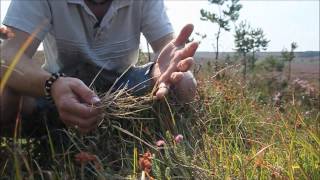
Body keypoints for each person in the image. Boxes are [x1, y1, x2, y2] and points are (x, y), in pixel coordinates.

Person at [0, 0, 198, 135]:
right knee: (3, 98)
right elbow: (7, 56)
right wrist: (52, 85)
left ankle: (154, 140)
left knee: (184, 83)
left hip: (125, 88)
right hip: (57, 89)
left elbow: (166, 45)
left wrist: (165, 70)